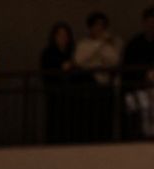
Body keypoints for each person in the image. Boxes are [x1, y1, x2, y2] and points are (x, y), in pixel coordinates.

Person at [74, 12, 122, 141]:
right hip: (89, 86)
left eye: (102, 25)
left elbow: (114, 60)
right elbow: (80, 60)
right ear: (90, 27)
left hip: (105, 85)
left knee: (105, 118)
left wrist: (103, 46)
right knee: (89, 119)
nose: (99, 29)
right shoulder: (83, 44)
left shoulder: (110, 45)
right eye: (96, 25)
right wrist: (99, 45)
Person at [41, 23, 82, 144]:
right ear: (54, 37)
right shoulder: (48, 53)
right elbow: (47, 73)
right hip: (55, 94)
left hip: (71, 95)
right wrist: (62, 68)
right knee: (56, 123)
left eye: (65, 35)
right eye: (60, 35)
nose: (63, 38)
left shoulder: (73, 53)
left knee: (71, 124)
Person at [122, 7, 154, 139]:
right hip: (138, 88)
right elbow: (127, 69)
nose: (152, 26)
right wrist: (144, 77)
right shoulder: (134, 44)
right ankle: (142, 135)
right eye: (150, 22)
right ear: (144, 23)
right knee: (142, 104)